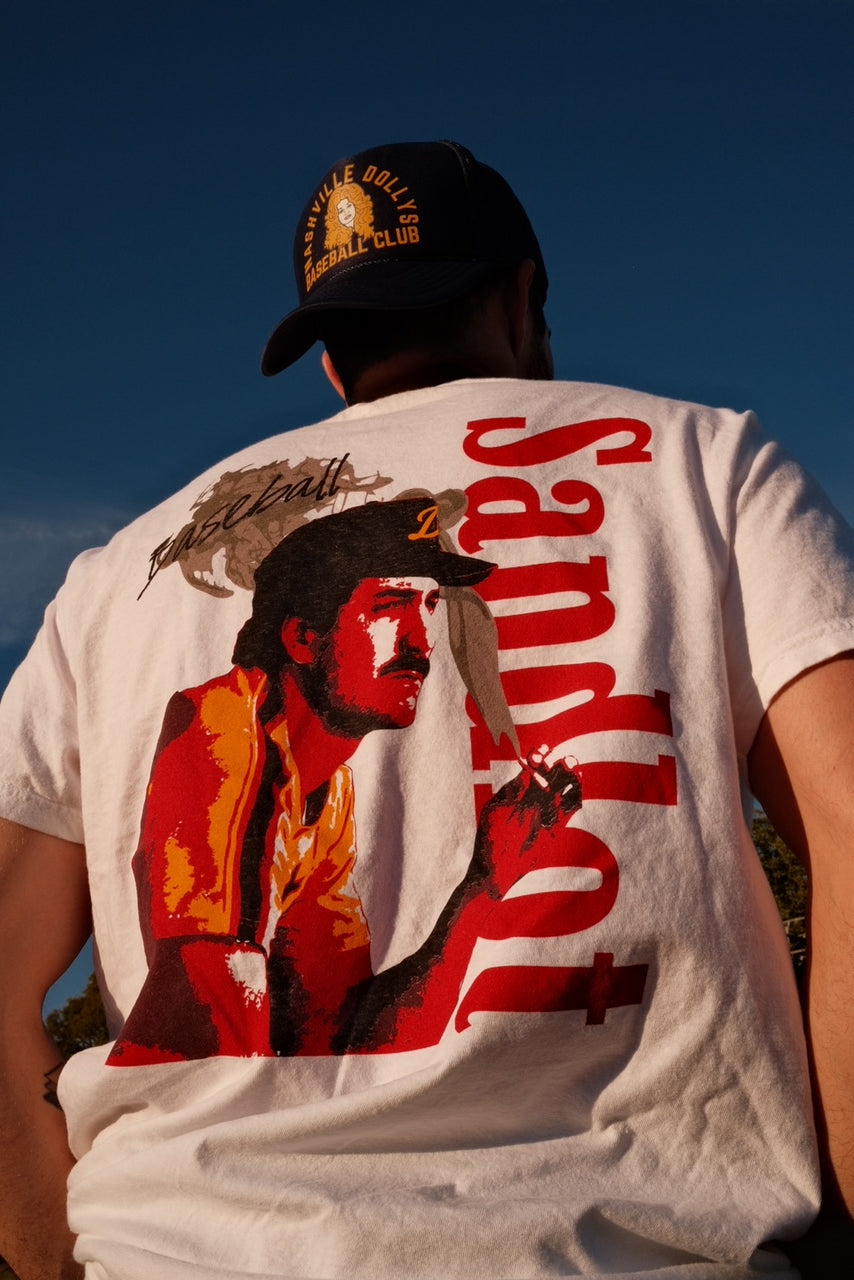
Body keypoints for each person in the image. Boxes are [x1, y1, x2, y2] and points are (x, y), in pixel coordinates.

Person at [0, 139, 852, 1280]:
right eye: (395, 607)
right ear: (521, 298)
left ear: (330, 364)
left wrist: (481, 895)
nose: (425, 637)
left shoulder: (114, 583)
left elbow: (346, 1047)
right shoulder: (709, 461)